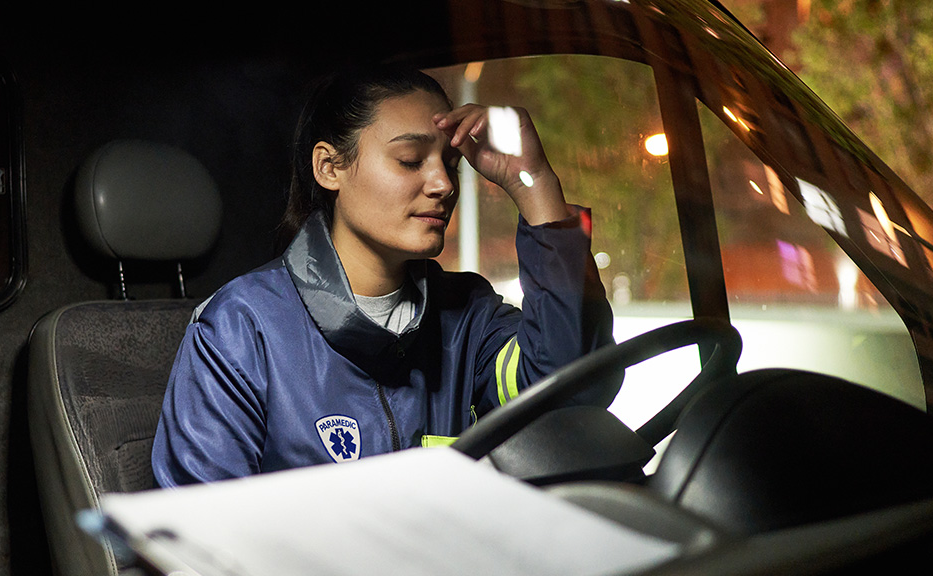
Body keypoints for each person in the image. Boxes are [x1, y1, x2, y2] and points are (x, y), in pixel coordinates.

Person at [152, 64, 619, 487]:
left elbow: (571, 395)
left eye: (451, 164)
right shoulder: (241, 327)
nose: (444, 185)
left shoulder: (468, 317)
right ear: (330, 167)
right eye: (411, 160)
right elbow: (203, 536)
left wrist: (533, 183)